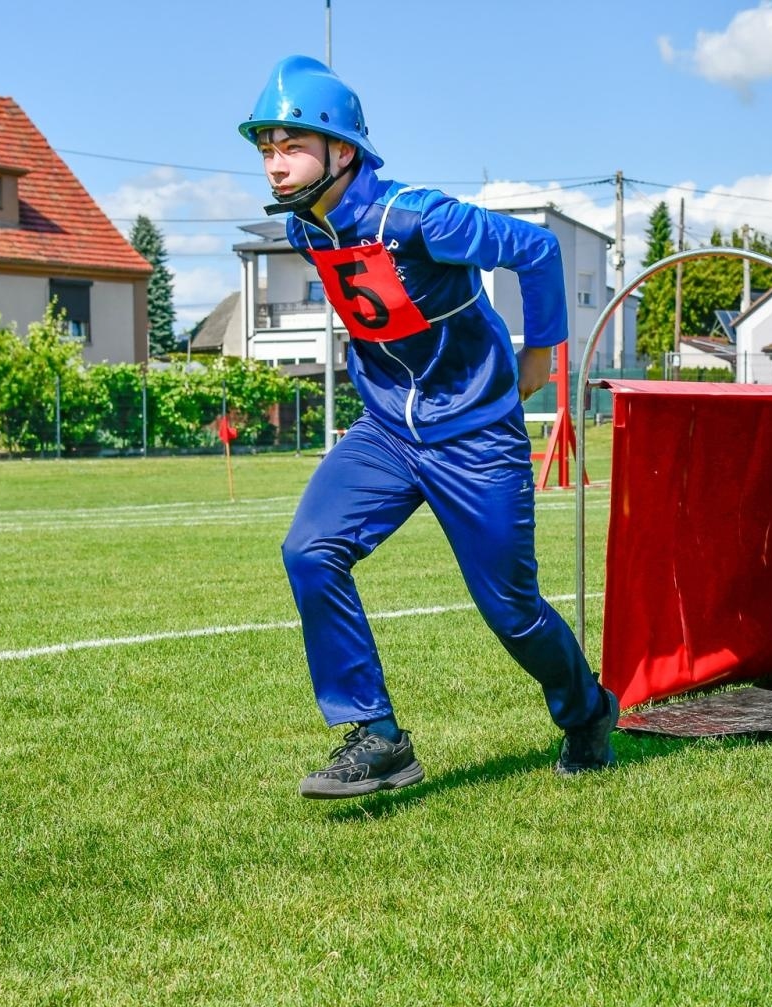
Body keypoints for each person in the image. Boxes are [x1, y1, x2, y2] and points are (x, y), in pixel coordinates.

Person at [238, 56, 619, 799]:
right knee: (309, 551)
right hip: (385, 432)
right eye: (266, 149)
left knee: (512, 612)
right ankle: (377, 736)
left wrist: (539, 354)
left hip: (476, 437)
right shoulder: (304, 229)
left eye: (292, 147)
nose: (275, 165)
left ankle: (587, 711)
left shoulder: (418, 216)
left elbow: (537, 250)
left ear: (342, 150)